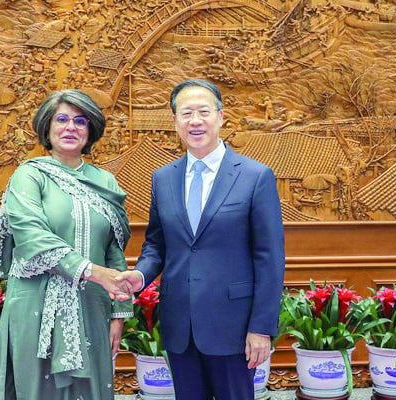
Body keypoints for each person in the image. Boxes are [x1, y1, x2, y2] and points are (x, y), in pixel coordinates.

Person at [117, 79, 285, 400]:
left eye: (204, 112)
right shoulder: (163, 178)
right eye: (186, 113)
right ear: (175, 122)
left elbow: (270, 258)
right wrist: (140, 275)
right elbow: (157, 244)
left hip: (233, 327)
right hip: (180, 324)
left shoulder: (255, 176)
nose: (195, 121)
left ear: (220, 117)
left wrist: (261, 328)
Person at [0, 89, 133, 400]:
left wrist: (119, 311)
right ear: (47, 128)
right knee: (38, 389)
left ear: (90, 129)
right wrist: (91, 271)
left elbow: (114, 250)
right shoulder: (29, 176)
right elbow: (31, 235)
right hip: (35, 302)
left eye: (80, 121)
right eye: (61, 119)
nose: (70, 127)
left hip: (92, 304)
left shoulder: (106, 182)